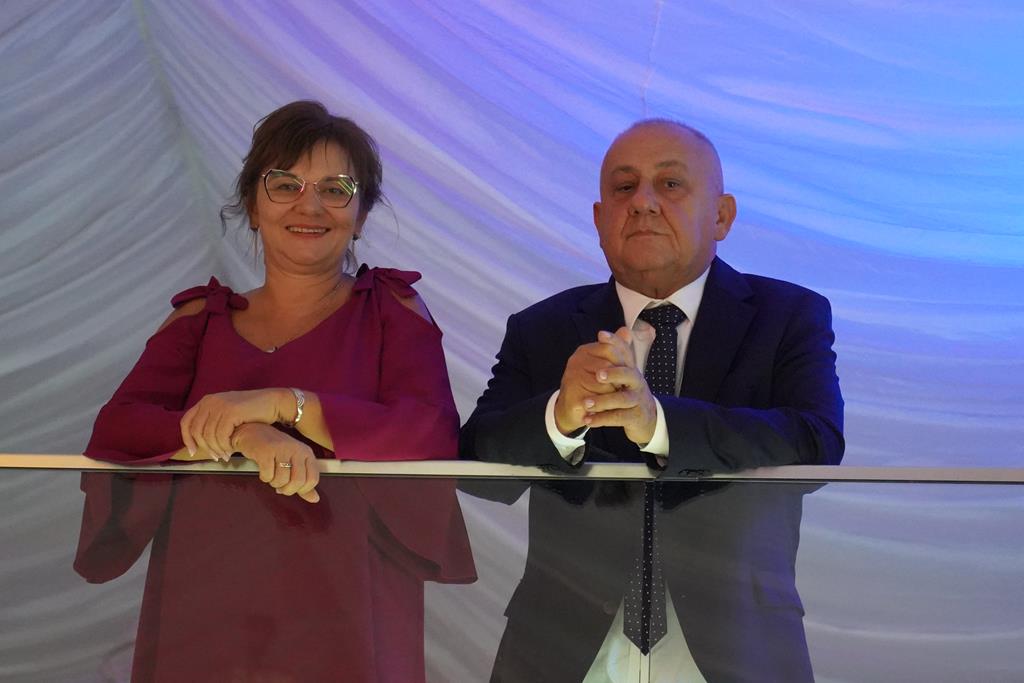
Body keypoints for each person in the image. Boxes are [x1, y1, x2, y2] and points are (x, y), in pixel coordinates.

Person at [74, 101, 475, 683]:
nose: (309, 206)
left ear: (361, 215)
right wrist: (244, 434)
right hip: (204, 602)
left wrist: (285, 404)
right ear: (253, 205)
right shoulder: (198, 320)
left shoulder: (393, 310)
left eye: (336, 190)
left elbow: (430, 432)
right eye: (285, 184)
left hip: (348, 605)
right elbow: (119, 427)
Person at [460, 120, 844, 682]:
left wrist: (658, 423)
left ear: (722, 215)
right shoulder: (541, 328)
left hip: (739, 647)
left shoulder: (788, 315)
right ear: (599, 220)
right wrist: (560, 418)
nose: (642, 202)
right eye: (624, 187)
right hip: (563, 649)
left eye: (670, 184)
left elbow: (816, 443)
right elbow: (476, 469)